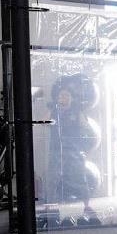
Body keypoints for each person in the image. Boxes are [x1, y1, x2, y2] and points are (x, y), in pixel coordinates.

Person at [45, 75, 100, 212]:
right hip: (57, 151)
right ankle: (51, 207)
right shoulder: (54, 112)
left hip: (74, 152)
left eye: (66, 96)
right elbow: (45, 123)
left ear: (71, 99)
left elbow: (89, 130)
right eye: (61, 96)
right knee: (53, 179)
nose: (62, 98)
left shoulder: (77, 113)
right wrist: (53, 110)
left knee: (80, 178)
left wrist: (85, 148)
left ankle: (87, 206)